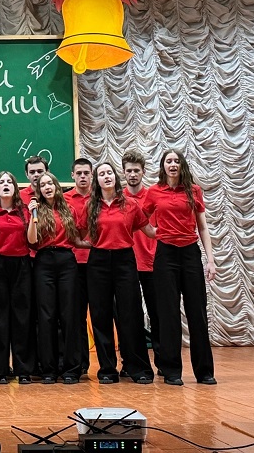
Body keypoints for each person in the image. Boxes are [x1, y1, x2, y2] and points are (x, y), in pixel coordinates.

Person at [143, 149, 217, 386]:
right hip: (166, 255)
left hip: (190, 253)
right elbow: (140, 218)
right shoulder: (154, 192)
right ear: (163, 166)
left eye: (176, 161)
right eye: (168, 161)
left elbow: (203, 227)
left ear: (181, 165)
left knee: (197, 312)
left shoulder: (193, 190)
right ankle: (171, 371)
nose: (173, 164)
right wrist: (153, 233)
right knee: (168, 314)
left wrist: (211, 260)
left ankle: (204, 372)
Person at [80, 162, 156, 384]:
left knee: (130, 314)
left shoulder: (130, 204)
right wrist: (93, 245)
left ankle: (137, 367)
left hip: (124, 261)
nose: (106, 176)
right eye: (101, 174)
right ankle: (107, 369)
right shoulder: (90, 206)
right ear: (97, 180)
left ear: (115, 177)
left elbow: (150, 231)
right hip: (98, 262)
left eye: (109, 173)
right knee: (100, 315)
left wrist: (177, 227)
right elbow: (79, 234)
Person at [27, 171, 89, 384]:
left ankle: (71, 368)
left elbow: (78, 239)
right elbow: (32, 241)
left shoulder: (69, 209)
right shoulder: (36, 210)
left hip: (66, 261)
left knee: (69, 315)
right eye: (43, 185)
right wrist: (33, 216)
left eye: (50, 183)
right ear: (39, 190)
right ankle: (49, 369)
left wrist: (95, 245)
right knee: (46, 316)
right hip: (44, 261)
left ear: (56, 186)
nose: (47, 187)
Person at [0, 171, 34, 384]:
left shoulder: (24, 210)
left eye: (9, 182)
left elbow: (31, 239)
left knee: (22, 316)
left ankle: (23, 369)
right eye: (1, 182)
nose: (5, 185)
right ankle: (0, 370)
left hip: (21, 264)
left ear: (15, 187)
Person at [123, 150, 161, 376]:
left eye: (136, 170)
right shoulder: (119, 199)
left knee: (158, 315)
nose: (133, 174)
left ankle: (163, 363)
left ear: (143, 172)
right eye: (129, 170)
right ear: (123, 173)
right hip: (127, 266)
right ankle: (130, 363)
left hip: (153, 263)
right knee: (130, 317)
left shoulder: (153, 196)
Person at [65, 157, 94, 378]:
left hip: (99, 263)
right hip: (73, 264)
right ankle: (81, 363)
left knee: (104, 314)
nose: (83, 176)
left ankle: (112, 363)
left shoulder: (100, 197)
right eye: (79, 173)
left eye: (86, 173)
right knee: (76, 316)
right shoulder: (64, 200)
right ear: (72, 175)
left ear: (91, 175)